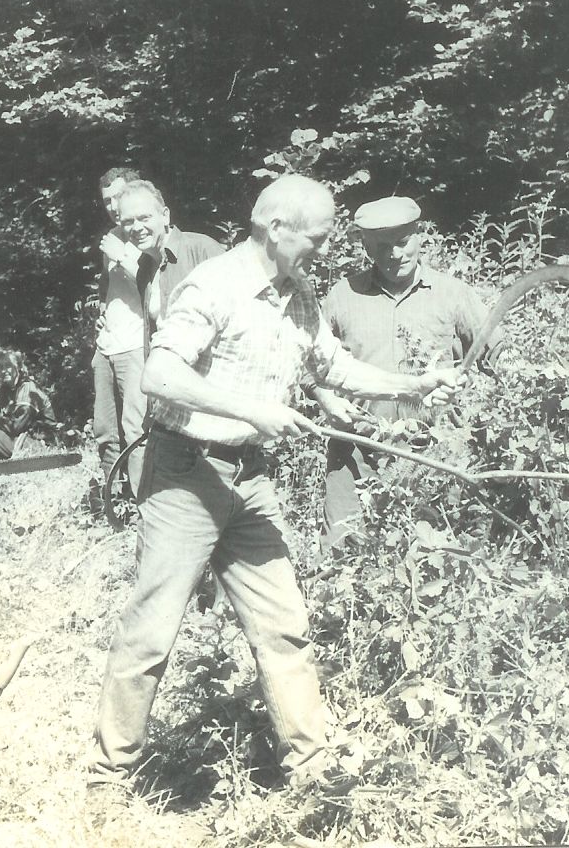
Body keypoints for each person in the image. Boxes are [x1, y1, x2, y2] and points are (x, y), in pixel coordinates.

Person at [86, 175, 463, 816]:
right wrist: (252, 408)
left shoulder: (297, 294)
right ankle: (108, 772)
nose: (325, 247)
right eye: (317, 238)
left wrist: (415, 383)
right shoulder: (215, 285)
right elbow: (159, 373)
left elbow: (331, 366)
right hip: (185, 474)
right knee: (152, 629)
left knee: (285, 626)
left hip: (250, 479)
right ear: (276, 228)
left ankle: (312, 773)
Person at [312, 195, 498, 552]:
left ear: (418, 236)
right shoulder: (341, 296)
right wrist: (327, 399)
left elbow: (496, 352)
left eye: (402, 242)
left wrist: (470, 388)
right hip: (356, 448)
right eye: (382, 246)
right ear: (365, 246)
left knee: (440, 550)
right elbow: (310, 365)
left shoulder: (453, 294)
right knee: (342, 551)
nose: (395, 255)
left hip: (436, 448)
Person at [91, 168, 148, 499]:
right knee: (105, 431)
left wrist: (122, 255)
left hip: (135, 346)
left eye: (119, 197)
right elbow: (107, 285)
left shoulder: (146, 235)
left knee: (136, 431)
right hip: (107, 345)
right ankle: (113, 501)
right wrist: (101, 311)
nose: (113, 206)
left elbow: (153, 285)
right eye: (107, 200)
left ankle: (144, 509)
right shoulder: (112, 237)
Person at [113, 179, 225, 348]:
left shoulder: (201, 250)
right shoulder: (144, 268)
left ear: (165, 216)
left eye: (144, 218)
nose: (136, 228)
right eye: (128, 222)